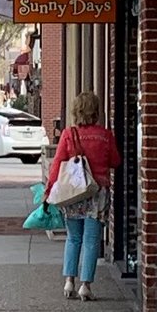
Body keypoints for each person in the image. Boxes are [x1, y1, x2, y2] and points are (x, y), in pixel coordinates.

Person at [44, 90, 122, 300]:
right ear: (96, 112)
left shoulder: (69, 134)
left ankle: (69, 281)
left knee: (73, 237)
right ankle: (85, 286)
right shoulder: (105, 136)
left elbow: (58, 164)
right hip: (97, 193)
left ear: (76, 111)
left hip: (74, 193)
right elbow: (115, 162)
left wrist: (49, 190)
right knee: (91, 240)